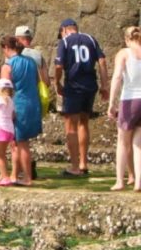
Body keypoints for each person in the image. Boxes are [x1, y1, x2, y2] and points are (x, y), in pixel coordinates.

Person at [54, 18, 108, 177]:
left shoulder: (64, 42)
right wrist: (105, 85)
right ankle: (84, 163)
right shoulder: (90, 39)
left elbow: (58, 65)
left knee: (71, 125)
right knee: (84, 122)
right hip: (90, 85)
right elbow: (102, 61)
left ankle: (75, 166)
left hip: (73, 86)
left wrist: (57, 83)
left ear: (64, 30)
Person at [0, 35, 42, 186]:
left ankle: (27, 177)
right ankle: (15, 175)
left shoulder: (8, 66)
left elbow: (5, 90)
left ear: (6, 48)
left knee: (21, 143)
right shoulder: (31, 62)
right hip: (33, 102)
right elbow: (37, 81)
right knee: (18, 143)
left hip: (19, 104)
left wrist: (6, 111)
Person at [106, 26, 141, 191]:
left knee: (122, 142)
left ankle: (120, 180)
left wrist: (111, 103)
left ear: (127, 39)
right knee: (138, 143)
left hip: (129, 100)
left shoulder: (124, 53)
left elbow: (118, 76)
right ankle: (139, 182)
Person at [15, 25, 51, 90]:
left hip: (19, 95)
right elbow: (47, 82)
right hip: (36, 96)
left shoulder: (13, 55)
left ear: (16, 40)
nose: (27, 41)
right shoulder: (38, 55)